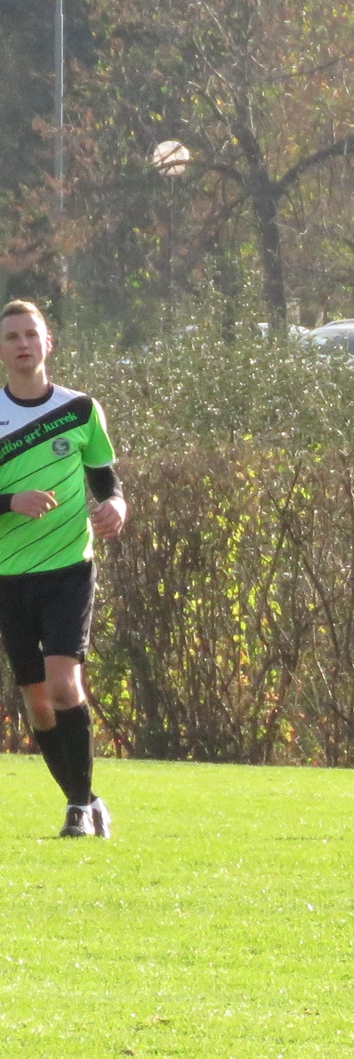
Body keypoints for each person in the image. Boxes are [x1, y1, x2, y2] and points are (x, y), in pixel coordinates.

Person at [0, 300, 125, 839]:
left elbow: (106, 479)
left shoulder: (80, 410)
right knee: (38, 704)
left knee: (63, 684)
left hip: (69, 570)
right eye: (12, 337)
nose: (23, 344)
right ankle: (88, 800)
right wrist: (11, 502)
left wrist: (116, 504)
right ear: (1, 349)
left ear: (48, 343)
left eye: (31, 334)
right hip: (8, 578)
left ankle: (77, 808)